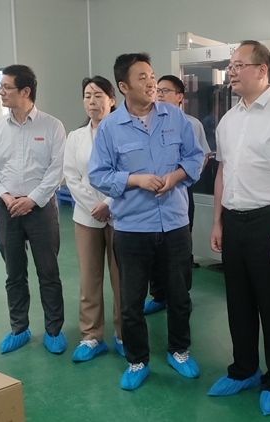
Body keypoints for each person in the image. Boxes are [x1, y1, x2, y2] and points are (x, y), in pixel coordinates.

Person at [88, 52, 205, 390]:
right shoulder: (110, 127)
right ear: (124, 87)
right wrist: (135, 180)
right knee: (132, 301)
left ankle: (179, 350)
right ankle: (137, 360)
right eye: (142, 77)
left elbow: (195, 157)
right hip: (132, 228)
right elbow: (98, 174)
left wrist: (176, 176)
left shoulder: (175, 117)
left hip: (174, 224)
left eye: (152, 76)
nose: (152, 82)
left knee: (179, 295)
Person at [207, 40, 270, 416]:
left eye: (239, 65)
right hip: (234, 221)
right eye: (230, 66)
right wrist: (217, 221)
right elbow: (222, 172)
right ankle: (244, 369)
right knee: (238, 302)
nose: (231, 72)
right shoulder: (228, 119)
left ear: (262, 70)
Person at [0, 64, 67, 355]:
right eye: (1, 87)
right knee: (14, 274)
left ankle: (53, 330)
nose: (1, 92)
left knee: (48, 273)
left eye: (7, 87)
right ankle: (19, 329)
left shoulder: (52, 126)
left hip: (41, 209)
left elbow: (57, 170)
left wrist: (33, 199)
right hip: (7, 210)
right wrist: (4, 196)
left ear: (25, 91)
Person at [63, 75, 126, 362]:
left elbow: (127, 173)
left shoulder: (124, 132)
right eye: (87, 96)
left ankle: (124, 334)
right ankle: (91, 337)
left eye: (98, 95)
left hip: (120, 215)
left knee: (122, 279)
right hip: (87, 218)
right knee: (89, 280)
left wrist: (108, 204)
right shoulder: (76, 137)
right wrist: (95, 206)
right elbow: (72, 177)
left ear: (112, 100)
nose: (92, 101)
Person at [141, 75, 212, 315]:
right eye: (157, 90)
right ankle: (158, 294)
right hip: (149, 190)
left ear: (180, 96)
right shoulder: (147, 120)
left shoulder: (191, 123)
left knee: (179, 246)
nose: (159, 95)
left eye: (165, 91)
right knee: (152, 245)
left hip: (180, 189)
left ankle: (182, 295)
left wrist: (182, 178)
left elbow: (201, 157)